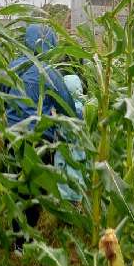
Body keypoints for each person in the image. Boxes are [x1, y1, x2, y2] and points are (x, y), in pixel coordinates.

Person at [3, 24, 80, 251]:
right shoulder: (49, 72)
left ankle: (15, 236)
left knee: (17, 186)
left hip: (12, 135)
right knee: (36, 190)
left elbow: (2, 91)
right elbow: (66, 107)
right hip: (39, 139)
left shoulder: (13, 66)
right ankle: (24, 244)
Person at [54, 74, 87, 202]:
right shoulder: (84, 107)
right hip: (79, 152)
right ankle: (77, 202)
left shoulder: (69, 109)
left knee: (65, 180)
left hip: (66, 153)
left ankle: (69, 205)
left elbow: (64, 132)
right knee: (77, 178)